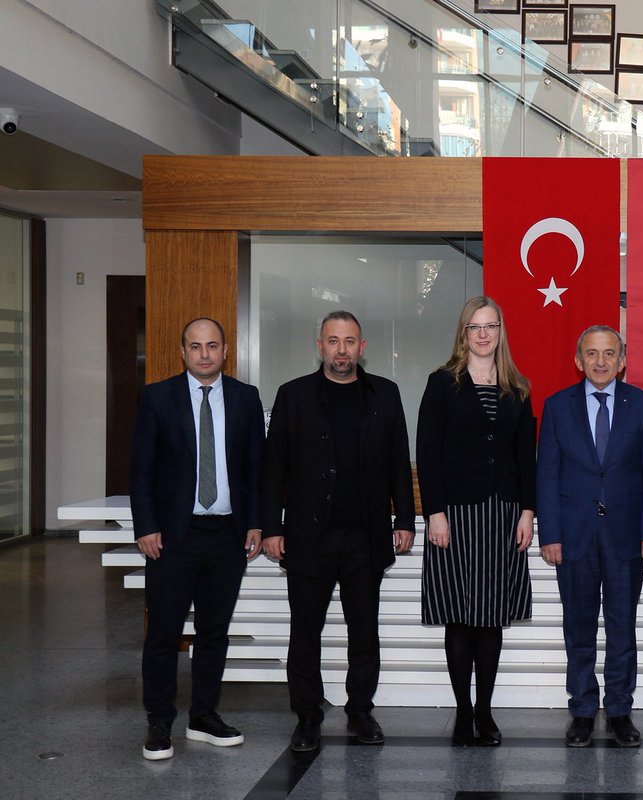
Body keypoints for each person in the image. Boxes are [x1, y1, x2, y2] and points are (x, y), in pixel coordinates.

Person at [261, 310, 416, 752]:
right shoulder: (293, 396)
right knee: (305, 632)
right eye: (333, 341)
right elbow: (274, 468)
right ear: (320, 345)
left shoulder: (385, 394)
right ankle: (307, 715)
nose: (342, 350)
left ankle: (360, 711)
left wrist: (403, 518)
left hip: (365, 538)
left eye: (350, 342)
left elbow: (397, 464)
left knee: (363, 631)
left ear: (361, 347)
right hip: (309, 537)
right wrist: (272, 526)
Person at [131, 317, 264, 761]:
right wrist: (146, 526)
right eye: (195, 346)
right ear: (183, 351)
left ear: (226, 350)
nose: (204, 354)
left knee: (214, 633)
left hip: (227, 535)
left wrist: (257, 522)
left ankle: (204, 716)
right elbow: (142, 470)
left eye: (212, 346)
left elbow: (256, 470)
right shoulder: (158, 397)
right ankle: (159, 722)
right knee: (163, 634)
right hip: (171, 537)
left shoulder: (246, 399)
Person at [536, 325, 643, 749]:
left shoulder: (642, 406)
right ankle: (582, 709)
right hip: (573, 536)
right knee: (578, 627)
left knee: (622, 626)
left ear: (622, 360)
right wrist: (550, 533)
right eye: (591, 353)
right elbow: (547, 474)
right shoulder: (557, 407)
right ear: (579, 360)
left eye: (609, 353)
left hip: (627, 536)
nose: (600, 361)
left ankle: (620, 710)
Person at [417, 296, 536, 748]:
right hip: (456, 516)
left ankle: (484, 712)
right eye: (474, 326)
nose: (483, 334)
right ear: (463, 333)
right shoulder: (442, 383)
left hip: (503, 516)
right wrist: (435, 512)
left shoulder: (518, 387)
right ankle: (462, 713)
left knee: (490, 619)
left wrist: (527, 511)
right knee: (458, 618)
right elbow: (428, 452)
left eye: (491, 326)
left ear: (500, 331)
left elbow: (526, 456)